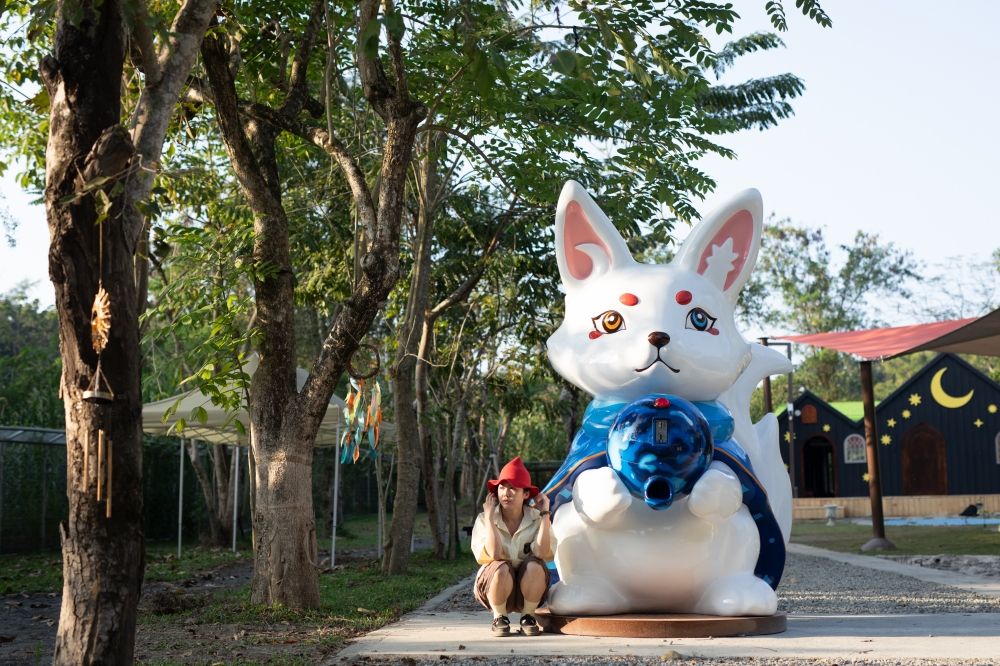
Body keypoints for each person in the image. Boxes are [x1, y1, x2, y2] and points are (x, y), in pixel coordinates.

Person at [470, 456, 554, 637]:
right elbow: (494, 553)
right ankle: (500, 617)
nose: (506, 493)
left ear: (525, 494)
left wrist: (545, 514)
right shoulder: (484, 519)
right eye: (502, 488)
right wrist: (491, 519)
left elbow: (541, 552)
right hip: (495, 587)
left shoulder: (537, 518)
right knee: (500, 566)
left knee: (535, 565)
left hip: (528, 590)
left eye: (513, 489)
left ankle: (529, 617)